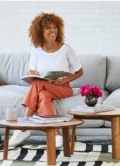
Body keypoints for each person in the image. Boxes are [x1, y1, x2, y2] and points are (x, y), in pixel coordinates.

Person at [9, 12, 84, 148]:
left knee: (38, 85)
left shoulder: (66, 49)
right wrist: (32, 73)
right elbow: (32, 71)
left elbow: (80, 72)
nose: (53, 30)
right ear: (40, 31)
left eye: (55, 27)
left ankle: (24, 126)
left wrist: (64, 80)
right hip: (44, 87)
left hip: (62, 87)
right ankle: (56, 135)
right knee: (43, 95)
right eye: (48, 28)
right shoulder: (36, 50)